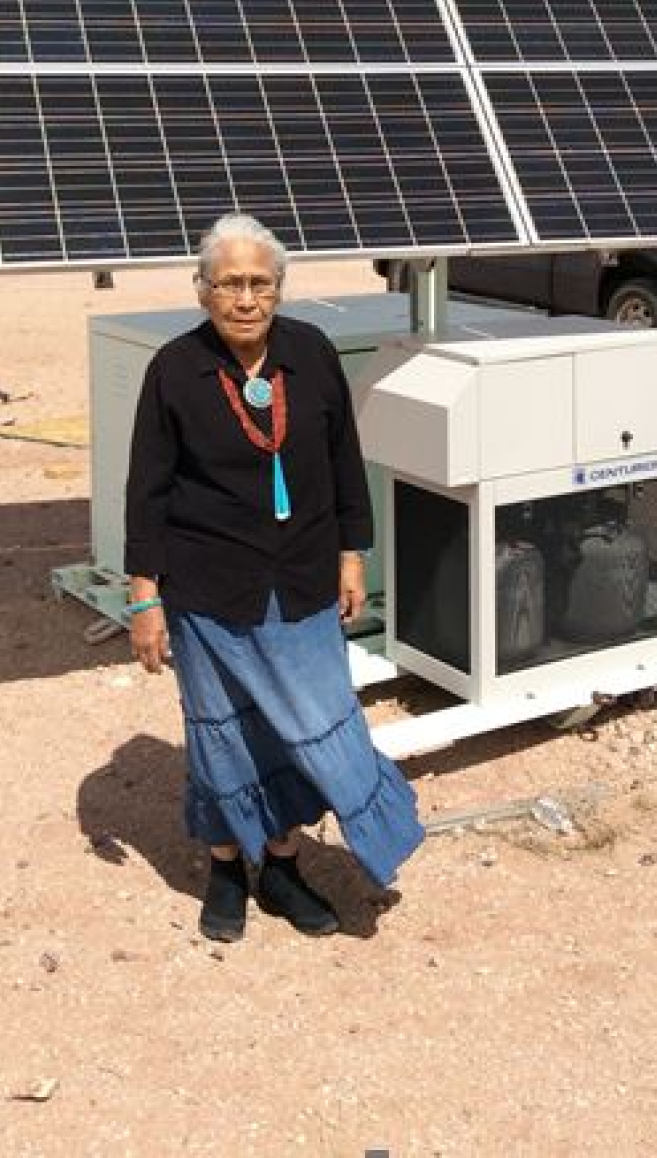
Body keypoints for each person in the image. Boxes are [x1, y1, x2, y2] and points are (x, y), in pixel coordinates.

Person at [124, 213, 425, 942]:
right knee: (222, 734)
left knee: (309, 727)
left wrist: (354, 553)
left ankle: (284, 865)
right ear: (203, 292)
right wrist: (145, 596)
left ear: (281, 290)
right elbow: (147, 491)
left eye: (261, 283)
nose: (247, 299)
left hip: (300, 582)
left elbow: (345, 459)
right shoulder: (174, 370)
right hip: (207, 591)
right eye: (230, 283)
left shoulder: (311, 353)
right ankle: (228, 866)